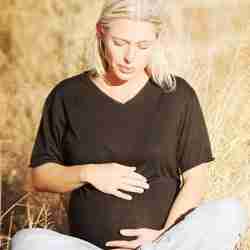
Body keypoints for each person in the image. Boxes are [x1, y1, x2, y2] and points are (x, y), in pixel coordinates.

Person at [11, 1, 249, 250]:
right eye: (120, 43)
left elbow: (196, 179)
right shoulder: (67, 95)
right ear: (100, 32)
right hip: (88, 247)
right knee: (26, 241)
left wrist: (162, 236)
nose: (129, 57)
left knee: (230, 212)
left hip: (164, 244)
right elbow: (40, 176)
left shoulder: (178, 95)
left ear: (156, 41)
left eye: (142, 46)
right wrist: (89, 173)